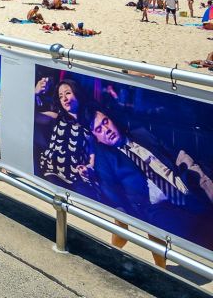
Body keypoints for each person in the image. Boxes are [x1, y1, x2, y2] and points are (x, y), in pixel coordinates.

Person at [88, 108, 213, 248]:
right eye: (99, 129)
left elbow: (173, 155)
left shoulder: (142, 134)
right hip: (158, 210)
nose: (106, 130)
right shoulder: (109, 161)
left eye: (106, 122)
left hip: (186, 191)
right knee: (196, 233)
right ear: (97, 138)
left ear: (112, 119)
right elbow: (112, 196)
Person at [37, 78, 95, 188]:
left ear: (77, 94)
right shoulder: (56, 117)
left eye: (67, 93)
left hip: (75, 181)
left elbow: (92, 153)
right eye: (60, 96)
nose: (64, 98)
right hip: (49, 173)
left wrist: (88, 168)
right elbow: (29, 115)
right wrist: (36, 93)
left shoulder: (89, 125)